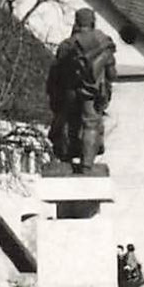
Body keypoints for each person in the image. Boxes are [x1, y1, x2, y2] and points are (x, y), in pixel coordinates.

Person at [46, 9, 116, 174]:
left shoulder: (67, 45)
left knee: (66, 122)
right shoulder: (104, 43)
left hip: (69, 92)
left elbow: (56, 74)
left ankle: (66, 159)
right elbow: (112, 74)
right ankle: (87, 165)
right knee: (91, 123)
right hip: (92, 93)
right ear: (93, 22)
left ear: (76, 23)